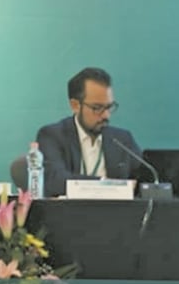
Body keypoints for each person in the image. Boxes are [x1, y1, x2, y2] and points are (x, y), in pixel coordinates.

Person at [36, 66, 144, 197]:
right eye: (97, 108)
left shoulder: (122, 140)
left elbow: (143, 181)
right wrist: (109, 186)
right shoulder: (53, 136)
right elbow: (55, 181)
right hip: (70, 214)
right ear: (75, 105)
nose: (106, 116)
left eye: (109, 107)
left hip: (115, 215)